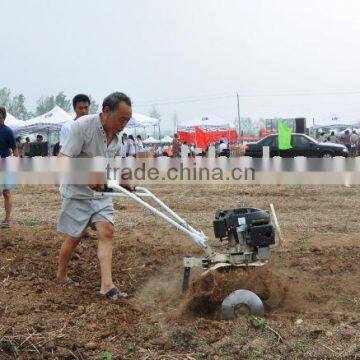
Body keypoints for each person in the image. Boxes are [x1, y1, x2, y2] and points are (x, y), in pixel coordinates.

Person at [56, 92, 132, 300]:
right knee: (75, 237)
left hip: (100, 193)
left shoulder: (117, 137)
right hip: (77, 192)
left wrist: (122, 176)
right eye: (121, 119)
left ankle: (107, 285)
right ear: (106, 111)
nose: (124, 124)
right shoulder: (82, 127)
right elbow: (62, 159)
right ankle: (61, 274)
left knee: (107, 232)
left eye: (127, 120)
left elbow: (113, 163)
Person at [0, 107, 18, 228]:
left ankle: (7, 219)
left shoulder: (8, 131)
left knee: (6, 192)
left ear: (3, 117)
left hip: (5, 163)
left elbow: (15, 152)